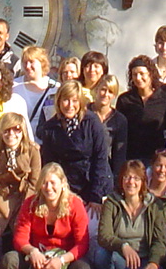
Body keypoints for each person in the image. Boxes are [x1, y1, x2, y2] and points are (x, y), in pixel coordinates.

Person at [1, 162, 94, 269]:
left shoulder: (75, 204)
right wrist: (32, 251)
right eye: (44, 183)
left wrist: (62, 260)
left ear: (63, 183)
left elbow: (82, 244)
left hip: (65, 257)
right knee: (10, 260)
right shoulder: (30, 204)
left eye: (53, 183)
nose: (48, 187)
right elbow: (19, 238)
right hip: (37, 256)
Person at [90, 160, 166, 269]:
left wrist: (154, 262)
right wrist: (123, 246)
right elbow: (104, 236)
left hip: (145, 260)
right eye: (127, 177)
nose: (131, 182)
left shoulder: (154, 205)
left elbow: (160, 240)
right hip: (121, 262)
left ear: (143, 182)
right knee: (103, 254)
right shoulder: (112, 202)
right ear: (121, 180)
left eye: (136, 178)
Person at [37, 80, 112, 212]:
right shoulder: (50, 128)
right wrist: (65, 193)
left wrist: (95, 196)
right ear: (59, 101)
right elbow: (50, 166)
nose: (70, 105)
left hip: (93, 187)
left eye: (75, 100)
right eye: (66, 100)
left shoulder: (92, 123)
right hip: (65, 190)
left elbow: (100, 159)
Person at [0, 112, 41, 258]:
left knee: (23, 239)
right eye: (6, 130)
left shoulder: (32, 151)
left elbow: (34, 184)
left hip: (23, 200)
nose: (11, 134)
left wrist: (23, 213)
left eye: (16, 129)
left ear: (23, 131)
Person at [117, 55, 166, 162]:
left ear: (151, 74)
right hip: (133, 159)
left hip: (158, 160)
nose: (138, 78)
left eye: (142, 74)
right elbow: (120, 133)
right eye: (135, 74)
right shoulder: (124, 100)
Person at [89, 75, 127, 179]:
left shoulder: (119, 120)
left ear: (114, 95)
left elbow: (119, 155)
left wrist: (116, 178)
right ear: (96, 89)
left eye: (110, 91)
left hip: (104, 171)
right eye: (103, 90)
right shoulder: (84, 113)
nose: (106, 94)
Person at [16, 45, 57, 132]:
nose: (27, 66)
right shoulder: (14, 86)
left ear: (42, 63)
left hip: (44, 141)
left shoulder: (55, 88)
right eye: (25, 62)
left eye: (31, 62)